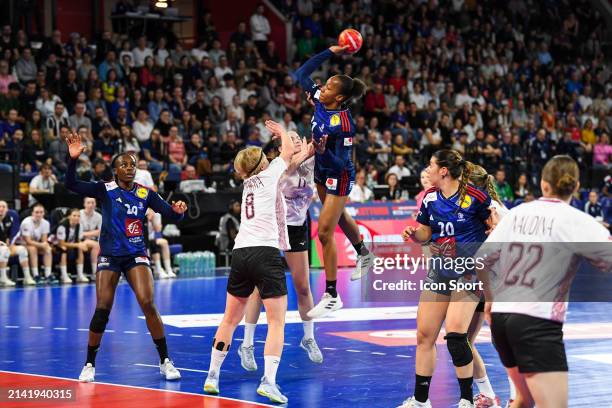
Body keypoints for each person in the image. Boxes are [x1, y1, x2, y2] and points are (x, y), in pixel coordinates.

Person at [480, 155, 611, 408]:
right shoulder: (577, 221)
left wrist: (490, 299)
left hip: (502, 319)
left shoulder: (517, 213)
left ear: (543, 184)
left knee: (523, 400)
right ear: (575, 187)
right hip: (536, 321)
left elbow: (480, 260)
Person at [63, 132, 187, 383]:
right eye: (124, 164)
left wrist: (179, 212)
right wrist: (73, 160)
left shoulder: (145, 193)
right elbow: (71, 184)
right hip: (109, 255)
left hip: (135, 254)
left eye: (133, 164)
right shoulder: (104, 189)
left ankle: (165, 361)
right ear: (115, 170)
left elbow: (171, 215)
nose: (130, 168)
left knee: (148, 303)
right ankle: (89, 363)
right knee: (102, 308)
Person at [203, 120, 312, 404]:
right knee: (276, 322)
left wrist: (309, 151)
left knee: (229, 319)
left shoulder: (249, 182)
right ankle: (269, 382)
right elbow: (287, 153)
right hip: (265, 252)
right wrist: (282, 131)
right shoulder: (271, 172)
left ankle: (212, 376)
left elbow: (290, 158)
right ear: (263, 163)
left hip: (241, 253)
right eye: (267, 157)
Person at [399, 150, 493, 408]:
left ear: (444, 171)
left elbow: (495, 227)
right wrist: (414, 233)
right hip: (440, 270)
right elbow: (426, 233)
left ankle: (466, 399)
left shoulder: (476, 197)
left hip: (469, 272)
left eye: (430, 165)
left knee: (455, 335)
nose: (426, 170)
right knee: (424, 335)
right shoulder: (430, 197)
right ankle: (420, 401)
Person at [292, 43, 375, 319]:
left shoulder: (344, 123)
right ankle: (364, 252)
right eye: (324, 85)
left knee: (325, 232)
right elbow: (301, 73)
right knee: (338, 218)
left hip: (338, 176)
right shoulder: (318, 98)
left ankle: (331, 295)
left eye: (328, 87)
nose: (321, 87)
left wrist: (325, 150)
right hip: (320, 169)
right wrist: (331, 50)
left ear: (338, 98)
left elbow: (343, 162)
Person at [238, 131, 323, 374]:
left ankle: (308, 337)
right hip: (272, 229)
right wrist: (304, 151)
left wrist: (321, 148)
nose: (297, 140)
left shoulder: (310, 161)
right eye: (291, 138)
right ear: (281, 147)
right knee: (257, 289)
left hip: (296, 229)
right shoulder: (276, 168)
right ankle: (247, 344)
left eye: (298, 137)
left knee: (303, 286)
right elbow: (290, 165)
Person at [17, 203, 54, 284]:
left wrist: (45, 245)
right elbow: (28, 241)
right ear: (32, 213)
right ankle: (36, 275)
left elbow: (44, 240)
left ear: (44, 213)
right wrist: (42, 245)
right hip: (22, 244)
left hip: (36, 243)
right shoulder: (26, 222)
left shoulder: (46, 223)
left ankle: (48, 275)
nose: (39, 214)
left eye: (41, 212)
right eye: (37, 212)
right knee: (33, 249)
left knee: (48, 249)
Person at [54, 208, 89, 284]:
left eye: (78, 216)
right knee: (64, 248)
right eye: (74, 215)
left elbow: (78, 240)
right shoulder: (62, 226)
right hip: (56, 246)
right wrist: (78, 245)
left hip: (71, 245)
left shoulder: (79, 226)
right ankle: (64, 275)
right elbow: (61, 243)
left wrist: (82, 245)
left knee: (80, 248)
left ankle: (80, 275)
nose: (77, 218)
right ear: (69, 216)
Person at [0, 200, 31, 286]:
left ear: (7, 210)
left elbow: (13, 235)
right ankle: (3, 278)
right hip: (2, 247)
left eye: (4, 207)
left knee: (22, 250)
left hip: (5, 246)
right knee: (4, 250)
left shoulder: (9, 219)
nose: (1, 209)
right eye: (0, 207)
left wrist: (11, 244)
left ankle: (27, 277)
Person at [145, 209, 177, 279]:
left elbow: (158, 229)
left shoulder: (157, 214)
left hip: (152, 238)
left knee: (164, 242)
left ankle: (169, 269)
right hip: (143, 238)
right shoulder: (142, 211)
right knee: (152, 243)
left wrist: (152, 219)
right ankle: (159, 270)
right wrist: (147, 218)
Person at [80, 197, 102, 279]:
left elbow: (101, 232)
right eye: (88, 203)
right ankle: (95, 272)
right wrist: (94, 233)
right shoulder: (79, 214)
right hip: (80, 240)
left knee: (98, 245)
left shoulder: (99, 216)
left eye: (93, 203)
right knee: (96, 245)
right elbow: (79, 233)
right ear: (84, 204)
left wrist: (86, 234)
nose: (91, 205)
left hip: (93, 241)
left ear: (95, 204)